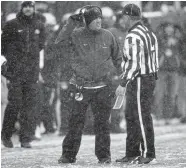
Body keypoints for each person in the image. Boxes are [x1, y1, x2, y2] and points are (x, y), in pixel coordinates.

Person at [55, 5, 121, 164]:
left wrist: (122, 78)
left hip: (103, 87)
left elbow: (118, 58)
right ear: (87, 21)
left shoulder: (108, 35)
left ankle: (104, 156)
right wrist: (71, 22)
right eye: (94, 18)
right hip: (80, 86)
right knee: (75, 123)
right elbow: (59, 42)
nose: (98, 21)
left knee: (103, 124)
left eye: (100, 18)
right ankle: (68, 155)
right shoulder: (76, 34)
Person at [115, 4, 159, 164]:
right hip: (147, 77)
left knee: (140, 116)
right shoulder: (149, 32)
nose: (122, 20)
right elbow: (152, 60)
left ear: (127, 17)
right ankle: (132, 152)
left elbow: (134, 63)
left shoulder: (133, 36)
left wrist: (123, 81)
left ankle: (148, 153)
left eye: (123, 17)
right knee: (132, 115)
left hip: (139, 79)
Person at [1, 1, 45, 148]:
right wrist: (9, 63)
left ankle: (25, 138)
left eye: (30, 6)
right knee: (14, 104)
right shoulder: (12, 24)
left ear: (33, 8)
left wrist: (36, 67)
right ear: (21, 8)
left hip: (31, 72)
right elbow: (3, 46)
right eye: (25, 6)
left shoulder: (39, 25)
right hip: (15, 72)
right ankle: (6, 135)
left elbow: (41, 46)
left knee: (29, 106)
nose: (28, 9)